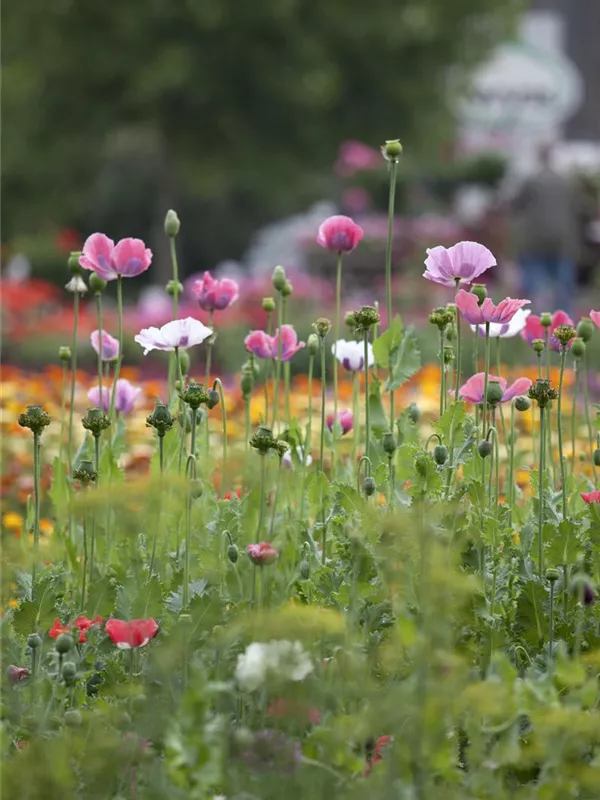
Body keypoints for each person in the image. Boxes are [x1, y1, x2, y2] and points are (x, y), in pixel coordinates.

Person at [511, 144, 581, 313]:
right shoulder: (566, 182)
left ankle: (530, 322)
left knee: (532, 287)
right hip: (562, 242)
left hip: (534, 243)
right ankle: (566, 325)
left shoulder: (531, 181)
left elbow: (515, 206)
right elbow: (577, 209)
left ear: (539, 156)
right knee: (564, 289)